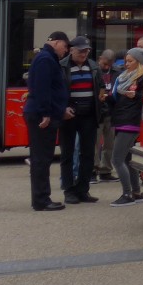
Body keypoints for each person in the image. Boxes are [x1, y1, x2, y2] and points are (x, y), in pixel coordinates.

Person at [24, 31, 71, 211]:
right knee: (41, 159)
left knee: (42, 158)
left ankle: (41, 198)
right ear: (57, 42)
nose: (66, 51)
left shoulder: (46, 58)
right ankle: (41, 200)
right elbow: (42, 88)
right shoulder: (46, 59)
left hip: (42, 112)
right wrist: (46, 113)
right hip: (41, 115)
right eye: (65, 46)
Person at [59, 36, 102, 204]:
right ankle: (69, 190)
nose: (84, 54)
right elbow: (57, 90)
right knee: (67, 154)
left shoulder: (93, 66)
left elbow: (100, 88)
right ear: (71, 50)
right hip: (69, 116)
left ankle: (83, 189)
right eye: (81, 51)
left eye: (86, 51)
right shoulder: (62, 66)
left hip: (89, 115)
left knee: (88, 154)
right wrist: (63, 108)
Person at [109, 47, 143, 206]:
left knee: (116, 159)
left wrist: (136, 95)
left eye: (130, 61)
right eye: (126, 61)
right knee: (127, 159)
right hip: (121, 118)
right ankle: (136, 192)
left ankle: (127, 194)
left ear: (139, 62)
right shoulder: (123, 77)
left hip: (130, 121)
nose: (126, 64)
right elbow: (116, 98)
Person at [93, 49, 118, 182]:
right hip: (98, 113)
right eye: (104, 64)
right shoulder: (94, 72)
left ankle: (106, 170)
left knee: (109, 144)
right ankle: (93, 170)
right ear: (99, 59)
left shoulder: (117, 73)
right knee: (95, 144)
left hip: (111, 113)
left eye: (109, 64)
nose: (107, 67)